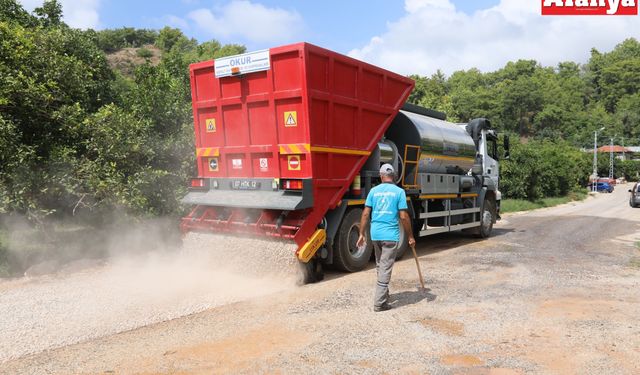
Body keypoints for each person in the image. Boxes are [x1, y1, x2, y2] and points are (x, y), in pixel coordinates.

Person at [357, 163, 416, 312]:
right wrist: (410, 236)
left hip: (375, 234)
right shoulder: (399, 192)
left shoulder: (373, 191)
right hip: (390, 235)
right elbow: (403, 216)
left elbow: (365, 214)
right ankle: (379, 303)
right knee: (385, 267)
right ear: (394, 176)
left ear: (381, 176)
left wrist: (361, 234)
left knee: (380, 265)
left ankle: (384, 294)